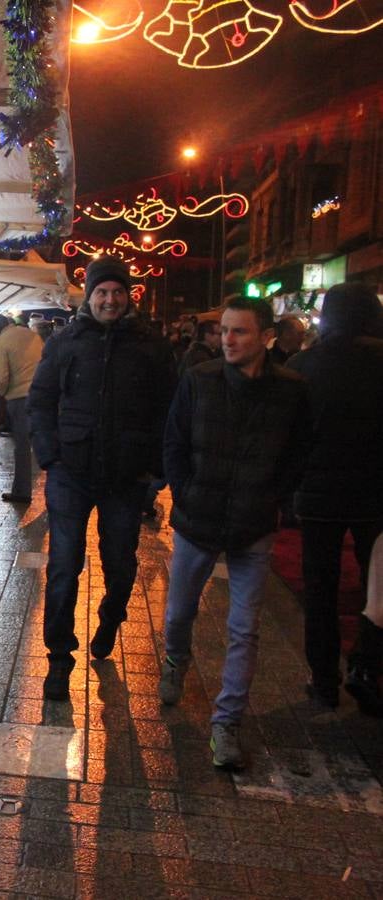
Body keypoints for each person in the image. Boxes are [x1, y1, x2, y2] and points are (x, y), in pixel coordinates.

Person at [158, 298, 310, 769]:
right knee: (180, 611)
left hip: (253, 524)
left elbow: (299, 454)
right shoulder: (199, 381)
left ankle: (227, 723)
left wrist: (274, 497)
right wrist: (185, 492)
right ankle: (175, 659)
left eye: (240, 332)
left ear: (266, 337)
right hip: (198, 519)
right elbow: (174, 442)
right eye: (224, 330)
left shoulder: (291, 391)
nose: (228, 339)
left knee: (244, 629)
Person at [29, 258, 175, 700]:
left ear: (128, 296)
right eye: (101, 292)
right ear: (89, 297)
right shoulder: (66, 342)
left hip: (126, 477)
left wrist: (156, 469)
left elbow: (169, 409)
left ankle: (112, 618)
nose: (109, 299)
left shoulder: (151, 346)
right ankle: (59, 657)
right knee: (63, 566)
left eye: (117, 292)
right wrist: (50, 455)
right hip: (70, 472)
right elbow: (41, 399)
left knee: (120, 562)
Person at [288, 282, 383, 714]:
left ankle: (324, 679)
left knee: (321, 590)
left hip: (318, 497)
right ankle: (366, 665)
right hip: (374, 498)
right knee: (376, 588)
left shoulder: (304, 365)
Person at [0, 313, 43, 503]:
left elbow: (1, 378)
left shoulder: (0, 343)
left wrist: (2, 393)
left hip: (20, 397)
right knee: (42, 443)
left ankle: (22, 491)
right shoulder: (31, 335)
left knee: (22, 446)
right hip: (41, 394)